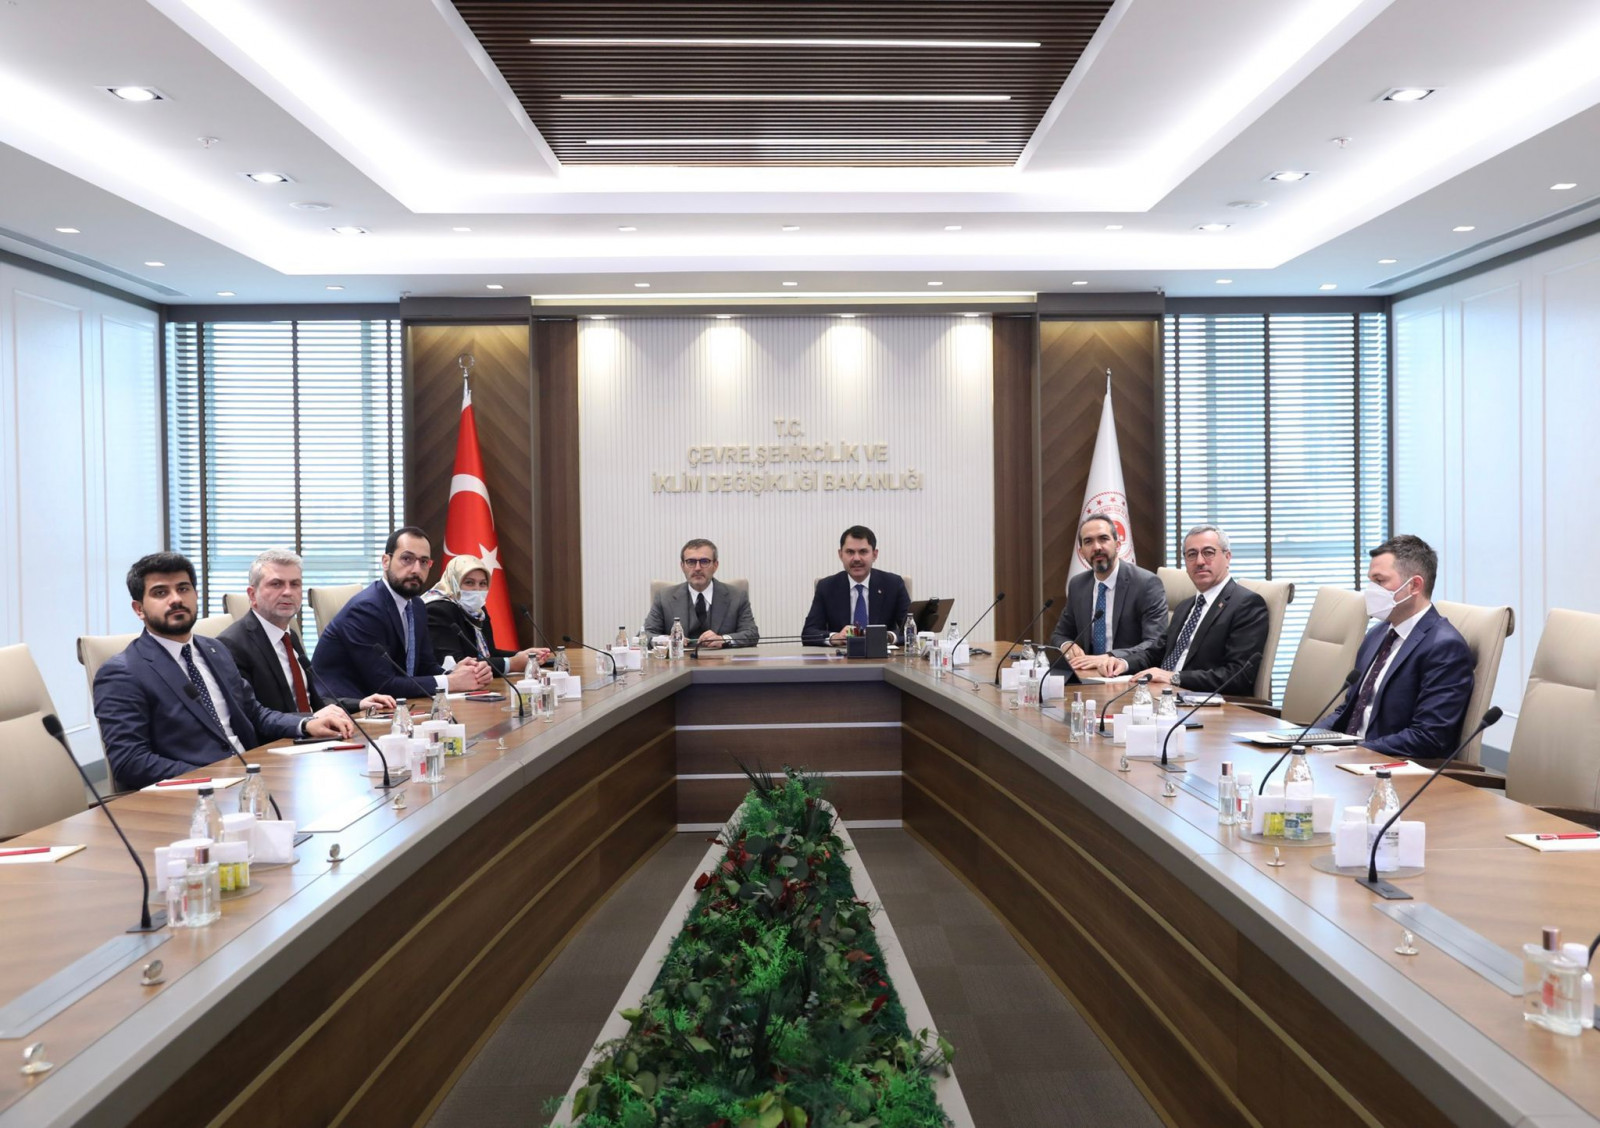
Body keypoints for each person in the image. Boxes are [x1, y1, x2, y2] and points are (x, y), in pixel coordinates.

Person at [93, 552, 354, 790]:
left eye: (183, 589)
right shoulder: (122, 672)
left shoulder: (214, 650)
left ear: (196, 595)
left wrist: (306, 723)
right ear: (139, 609)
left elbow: (254, 713)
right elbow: (130, 762)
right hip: (197, 791)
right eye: (161, 593)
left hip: (252, 776)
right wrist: (215, 774)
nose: (176, 599)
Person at [1323, 534, 1474, 759]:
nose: (1371, 590)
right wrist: (1304, 739)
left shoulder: (1444, 647)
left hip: (1387, 765)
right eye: (1370, 581)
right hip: (1350, 757)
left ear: (1414, 585)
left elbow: (1428, 737)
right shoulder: (1378, 634)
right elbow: (1348, 710)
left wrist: (1355, 752)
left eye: (1380, 581)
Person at [311, 526, 493, 701]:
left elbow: (425, 666)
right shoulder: (366, 609)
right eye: (407, 559)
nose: (416, 569)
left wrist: (457, 673)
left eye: (424, 562)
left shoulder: (417, 605)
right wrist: (450, 682)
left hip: (392, 706)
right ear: (386, 561)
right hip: (348, 708)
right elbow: (383, 685)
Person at [220, 548, 397, 717]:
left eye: (295, 584)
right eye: (276, 584)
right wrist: (308, 722)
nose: (288, 592)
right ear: (252, 595)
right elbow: (253, 716)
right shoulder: (232, 645)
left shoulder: (289, 637)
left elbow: (313, 703)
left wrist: (359, 704)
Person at [1095, 524, 1268, 694]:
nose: (1199, 561)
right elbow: (1155, 653)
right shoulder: (1186, 606)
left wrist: (1174, 677)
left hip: (1203, 703)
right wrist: (1122, 663)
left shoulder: (1246, 604)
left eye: (1208, 552)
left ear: (1227, 557)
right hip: (1161, 695)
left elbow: (1238, 676)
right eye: (1191, 554)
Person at [1046, 513, 1166, 674]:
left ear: (1117, 544)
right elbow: (1060, 634)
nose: (1096, 547)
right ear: (1081, 552)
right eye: (1088, 541)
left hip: (1128, 675)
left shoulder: (1146, 584)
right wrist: (1066, 645)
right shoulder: (1078, 585)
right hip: (1088, 673)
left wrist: (1110, 657)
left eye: (1103, 539)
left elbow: (1154, 643)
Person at [424, 554, 551, 674]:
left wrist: (523, 656)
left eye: (483, 584)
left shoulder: (479, 611)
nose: (477, 589)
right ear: (453, 582)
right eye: (469, 582)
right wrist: (511, 664)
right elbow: (455, 664)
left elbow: (489, 653)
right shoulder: (438, 610)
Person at [802, 525, 912, 646]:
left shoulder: (893, 584)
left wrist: (888, 637)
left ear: (874, 554)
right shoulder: (826, 587)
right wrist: (835, 637)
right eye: (850, 552)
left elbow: (912, 629)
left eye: (863, 552)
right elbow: (808, 633)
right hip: (841, 655)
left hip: (883, 655)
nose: (856, 558)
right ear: (840, 554)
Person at [642, 538, 760, 649]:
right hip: (679, 662)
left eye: (704, 561)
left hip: (722, 661)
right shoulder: (664, 597)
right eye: (691, 562)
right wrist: (664, 640)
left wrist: (724, 639)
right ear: (682, 566)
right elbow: (645, 635)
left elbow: (752, 634)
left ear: (715, 565)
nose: (697, 568)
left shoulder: (737, 596)